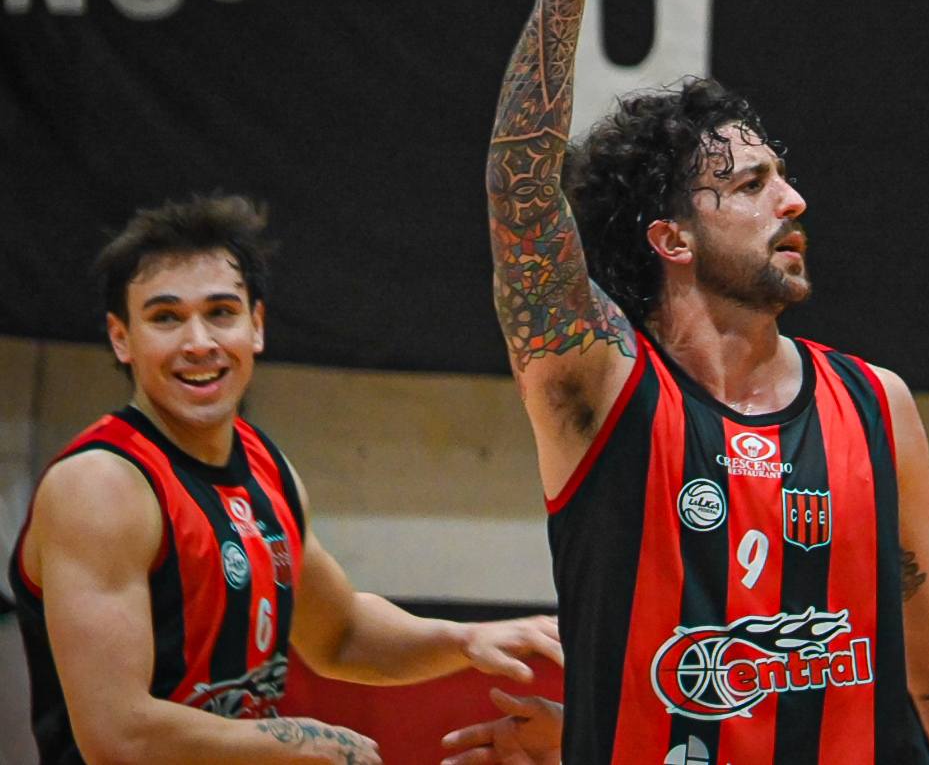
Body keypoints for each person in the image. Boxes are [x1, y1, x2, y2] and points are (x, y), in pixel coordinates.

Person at [481, 0, 929, 765]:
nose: (793, 199)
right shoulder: (601, 389)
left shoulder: (876, 404)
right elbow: (522, 203)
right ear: (671, 237)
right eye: (752, 184)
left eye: (785, 177)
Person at [8, 194, 563, 764]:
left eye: (221, 312)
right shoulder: (100, 485)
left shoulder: (265, 466)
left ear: (256, 326)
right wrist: (297, 743)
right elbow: (118, 734)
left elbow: (341, 635)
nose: (199, 343)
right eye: (166, 318)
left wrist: (465, 640)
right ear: (121, 338)